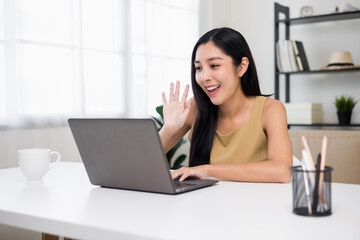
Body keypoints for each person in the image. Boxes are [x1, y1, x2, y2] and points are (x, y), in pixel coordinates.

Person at [159, 27, 292, 183]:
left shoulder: (270, 110)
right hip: (204, 204)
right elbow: (140, 162)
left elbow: (282, 171)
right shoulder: (195, 108)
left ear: (242, 67)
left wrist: (207, 170)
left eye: (214, 65)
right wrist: (169, 129)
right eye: (198, 68)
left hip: (255, 204)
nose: (204, 77)